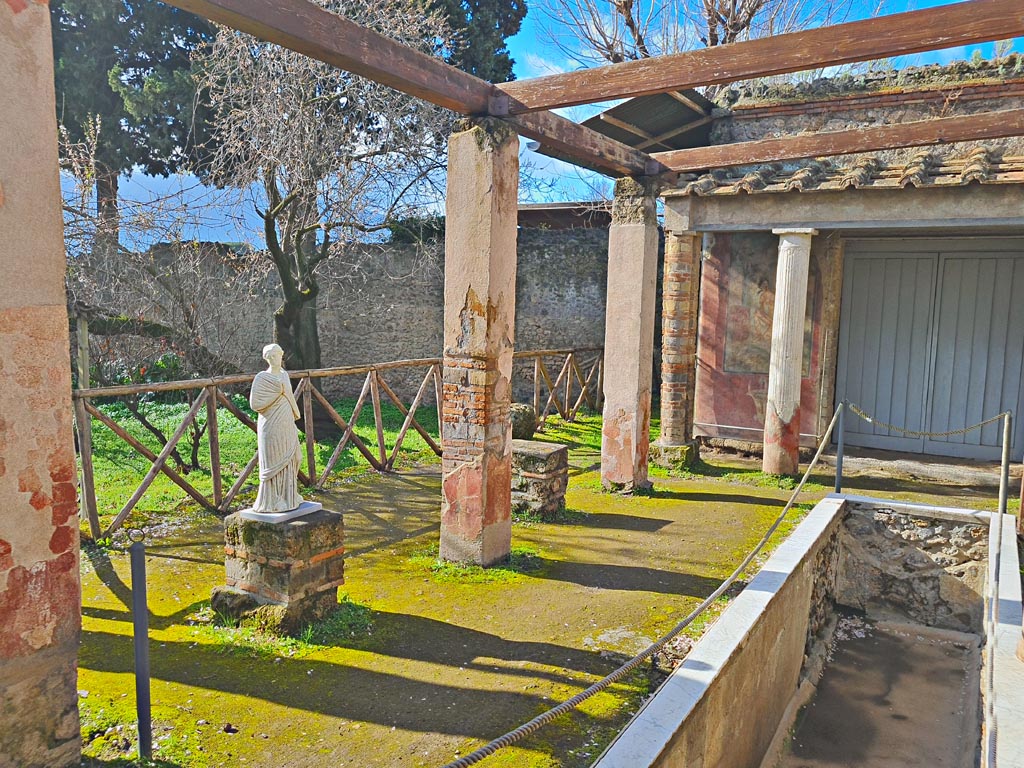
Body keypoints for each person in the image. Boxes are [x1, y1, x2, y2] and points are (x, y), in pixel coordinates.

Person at [249, 343, 303, 513]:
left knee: (295, 457)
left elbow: (289, 396)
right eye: (270, 356)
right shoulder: (262, 378)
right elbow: (255, 404)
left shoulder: (284, 375)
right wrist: (277, 392)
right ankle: (274, 499)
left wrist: (296, 413)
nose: (274, 359)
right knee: (275, 461)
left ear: (282, 356)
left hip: (286, 420)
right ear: (266, 358)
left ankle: (290, 495)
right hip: (271, 423)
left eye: (276, 355)